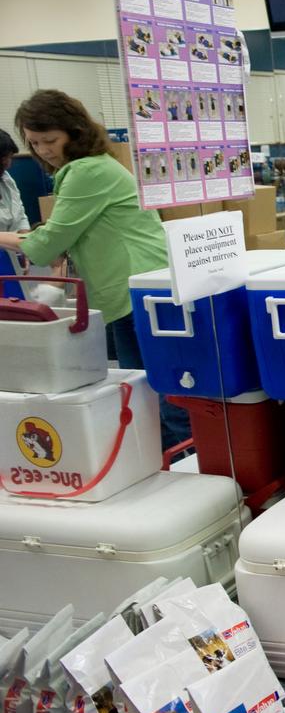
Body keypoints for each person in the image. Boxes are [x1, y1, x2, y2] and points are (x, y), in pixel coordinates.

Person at [0, 90, 190, 451]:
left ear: (74, 131)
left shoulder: (85, 171)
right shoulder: (95, 165)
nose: (42, 150)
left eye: (50, 140)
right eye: (35, 142)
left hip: (133, 289)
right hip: (134, 287)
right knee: (145, 391)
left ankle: (196, 468)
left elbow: (46, 244)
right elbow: (71, 233)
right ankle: (169, 466)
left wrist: (7, 238)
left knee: (159, 393)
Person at [0, 130, 30, 232]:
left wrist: (25, 233)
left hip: (14, 245)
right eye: (3, 159)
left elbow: (20, 215)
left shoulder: (6, 179)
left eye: (9, 157)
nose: (8, 164)